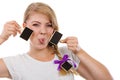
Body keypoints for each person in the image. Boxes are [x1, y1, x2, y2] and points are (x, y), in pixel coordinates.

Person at [0, 2, 112, 80]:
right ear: (25, 27)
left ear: (53, 29)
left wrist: (79, 52)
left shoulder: (66, 55)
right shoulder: (15, 63)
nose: (43, 31)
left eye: (48, 25)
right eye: (35, 25)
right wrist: (1, 38)